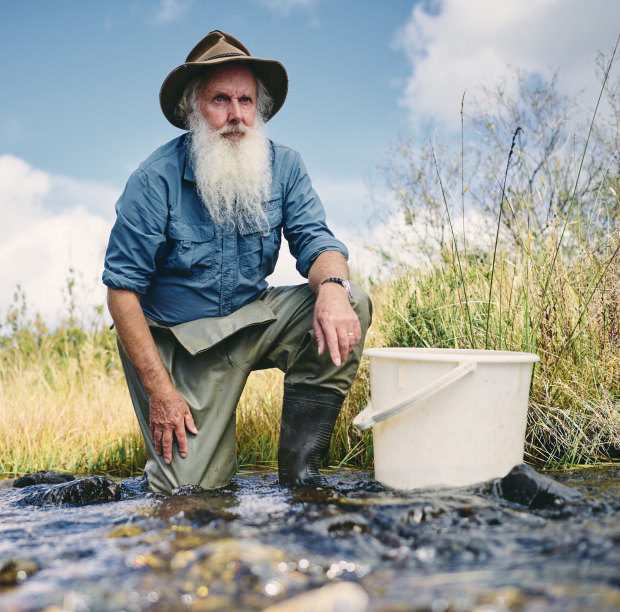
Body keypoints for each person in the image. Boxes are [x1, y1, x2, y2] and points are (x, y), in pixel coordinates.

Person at [103, 30, 372, 494]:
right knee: (191, 495)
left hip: (251, 318)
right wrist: (160, 392)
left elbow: (317, 241)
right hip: (180, 347)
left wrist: (332, 289)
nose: (236, 116)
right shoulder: (153, 180)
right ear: (192, 109)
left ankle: (300, 477)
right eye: (220, 100)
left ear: (259, 108)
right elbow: (121, 293)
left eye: (246, 101)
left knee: (352, 300)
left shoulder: (284, 165)